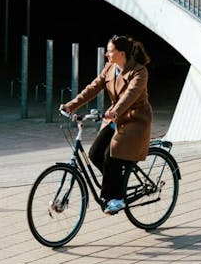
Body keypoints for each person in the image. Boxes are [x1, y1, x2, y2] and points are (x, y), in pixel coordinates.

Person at [62, 35, 153, 215]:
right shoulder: (110, 68)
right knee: (95, 154)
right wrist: (71, 105)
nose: (106, 55)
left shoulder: (139, 71)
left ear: (121, 53)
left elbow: (130, 95)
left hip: (135, 120)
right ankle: (115, 186)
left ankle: (117, 198)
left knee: (111, 154)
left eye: (109, 51)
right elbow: (93, 87)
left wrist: (115, 110)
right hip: (116, 119)